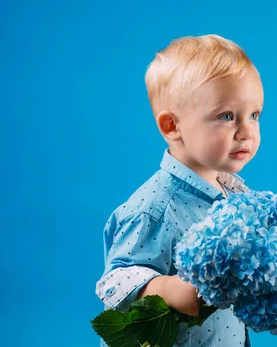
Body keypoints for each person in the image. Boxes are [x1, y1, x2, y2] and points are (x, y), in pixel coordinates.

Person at [95, 34, 263, 346]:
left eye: (254, 115)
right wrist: (170, 289)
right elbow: (115, 281)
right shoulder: (155, 208)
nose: (247, 131)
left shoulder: (233, 194)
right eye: (227, 116)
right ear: (173, 126)